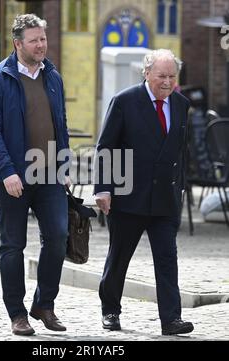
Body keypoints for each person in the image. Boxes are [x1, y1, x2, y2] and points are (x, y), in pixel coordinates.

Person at [0, 14, 70, 336]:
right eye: (34, 40)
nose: (41, 45)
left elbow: (61, 125)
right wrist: (7, 173)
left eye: (43, 39)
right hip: (13, 178)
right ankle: (17, 314)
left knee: (59, 237)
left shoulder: (53, 77)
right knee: (13, 245)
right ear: (18, 44)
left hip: (49, 176)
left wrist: (64, 167)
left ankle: (44, 304)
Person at [94, 49, 194, 336]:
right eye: (161, 75)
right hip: (129, 197)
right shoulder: (125, 101)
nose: (167, 82)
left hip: (165, 199)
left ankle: (171, 319)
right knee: (119, 258)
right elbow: (106, 148)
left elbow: (180, 151)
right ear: (146, 73)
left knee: (167, 258)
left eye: (172, 76)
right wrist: (103, 189)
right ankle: (110, 310)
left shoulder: (181, 103)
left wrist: (182, 189)